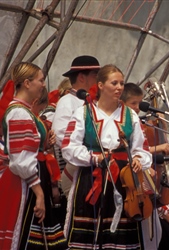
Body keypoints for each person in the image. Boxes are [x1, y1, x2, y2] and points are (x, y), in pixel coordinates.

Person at [61, 64, 152, 249]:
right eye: (114, 83)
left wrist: (138, 160)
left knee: (121, 237)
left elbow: (142, 149)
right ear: (101, 85)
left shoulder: (131, 115)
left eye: (121, 83)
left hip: (123, 181)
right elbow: (69, 147)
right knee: (88, 233)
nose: (119, 87)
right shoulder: (84, 112)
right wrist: (93, 158)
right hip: (91, 179)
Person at [0, 62, 67, 249]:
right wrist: (38, 194)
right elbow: (20, 160)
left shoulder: (25, 111)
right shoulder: (19, 113)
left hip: (30, 182)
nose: (44, 85)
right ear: (27, 83)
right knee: (25, 236)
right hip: (23, 185)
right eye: (41, 80)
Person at [120, 82, 169, 250]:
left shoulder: (140, 122)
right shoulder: (125, 121)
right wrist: (157, 150)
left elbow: (141, 149)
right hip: (131, 177)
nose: (137, 108)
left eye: (139, 103)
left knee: (154, 232)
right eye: (133, 103)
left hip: (145, 175)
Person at [52, 55, 100, 197]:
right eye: (94, 75)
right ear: (81, 77)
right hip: (78, 168)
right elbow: (60, 135)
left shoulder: (95, 103)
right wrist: (85, 153)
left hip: (94, 166)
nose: (98, 79)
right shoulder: (67, 101)